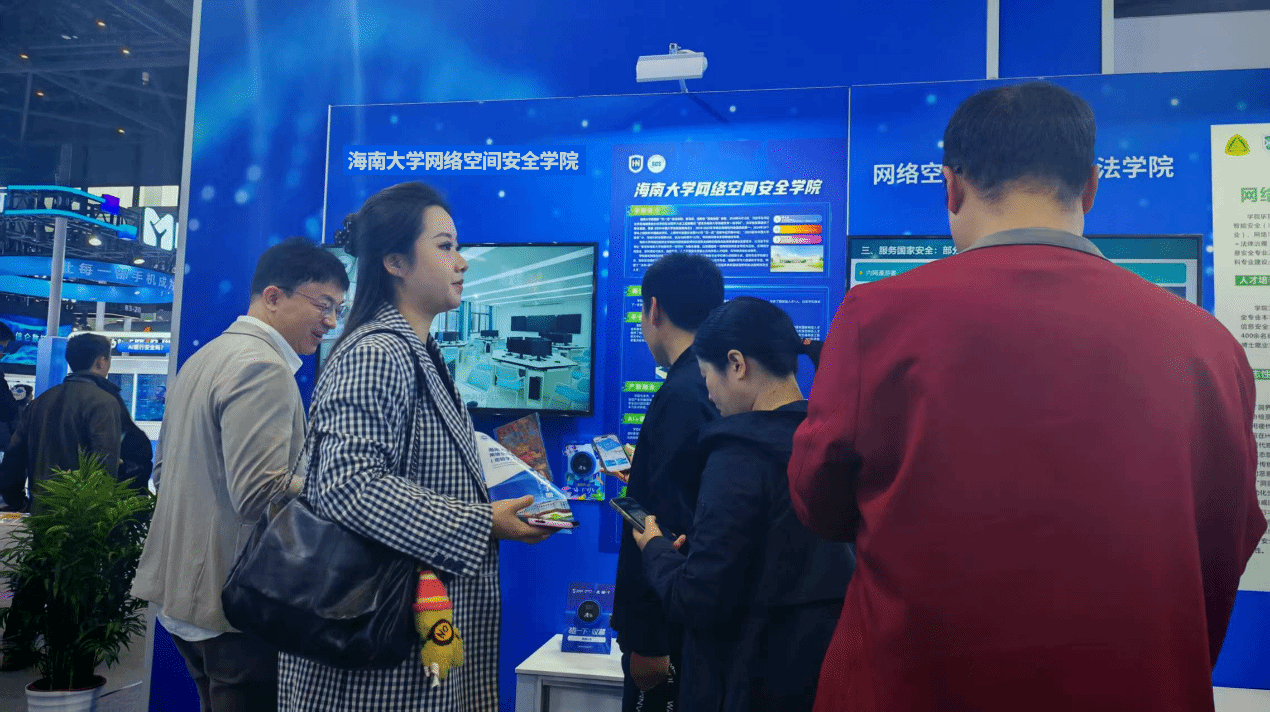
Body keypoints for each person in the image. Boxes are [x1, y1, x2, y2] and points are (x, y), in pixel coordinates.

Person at [788, 81, 1267, 712]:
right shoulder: (1205, 344)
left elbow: (819, 502)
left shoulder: (876, 317)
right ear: (1091, 187)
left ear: (950, 187)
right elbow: (1224, 542)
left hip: (915, 686)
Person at [276, 182, 556, 711]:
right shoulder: (377, 353)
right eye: (445, 246)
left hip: (408, 638)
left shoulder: (420, 353)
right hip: (372, 666)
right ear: (396, 262)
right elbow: (348, 487)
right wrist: (483, 522)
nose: (461, 262)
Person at [131, 237, 350, 712]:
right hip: (235, 603)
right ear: (273, 296)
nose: (332, 322)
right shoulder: (261, 366)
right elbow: (260, 491)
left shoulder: (206, 357)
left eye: (339, 309)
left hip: (185, 596)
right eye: (324, 305)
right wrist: (344, 494)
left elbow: (164, 472)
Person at [632, 296, 853, 712]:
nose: (709, 393)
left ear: (736, 364)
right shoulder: (829, 442)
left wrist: (655, 548)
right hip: (819, 676)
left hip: (746, 680)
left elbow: (697, 599)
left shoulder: (739, 457)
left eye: (706, 376)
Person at [611, 252, 723, 712]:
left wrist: (648, 639)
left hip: (669, 632)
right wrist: (642, 472)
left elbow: (666, 524)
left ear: (653, 309)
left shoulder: (680, 393)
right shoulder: (707, 381)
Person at [0, 332, 152, 669]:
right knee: (80, 580)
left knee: (37, 572)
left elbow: (14, 455)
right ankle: (73, 651)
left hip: (43, 509)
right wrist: (106, 512)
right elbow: (104, 461)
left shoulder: (41, 401)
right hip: (85, 514)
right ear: (101, 361)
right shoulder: (103, 403)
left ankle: (15, 645)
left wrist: (15, 497)